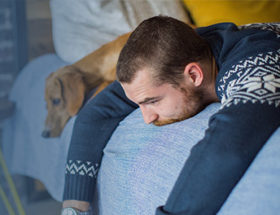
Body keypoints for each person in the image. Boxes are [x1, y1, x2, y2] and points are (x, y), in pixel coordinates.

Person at [61, 16, 280, 215]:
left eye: (152, 101)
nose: (147, 118)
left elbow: (228, 145)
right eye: (139, 105)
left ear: (194, 75)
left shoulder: (257, 66)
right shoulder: (178, 53)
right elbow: (96, 112)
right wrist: (73, 208)